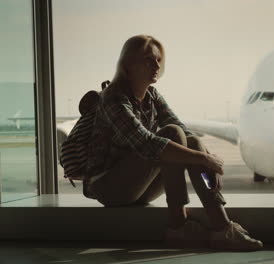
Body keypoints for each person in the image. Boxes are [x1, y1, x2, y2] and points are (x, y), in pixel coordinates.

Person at [83, 34, 263, 251]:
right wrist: (205, 159)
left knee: (191, 140)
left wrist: (206, 160)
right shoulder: (114, 97)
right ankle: (178, 225)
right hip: (109, 187)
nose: (156, 65)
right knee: (171, 135)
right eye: (148, 59)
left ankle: (221, 226)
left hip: (138, 185)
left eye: (158, 60)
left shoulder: (152, 96)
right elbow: (146, 143)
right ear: (128, 64)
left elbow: (186, 134)